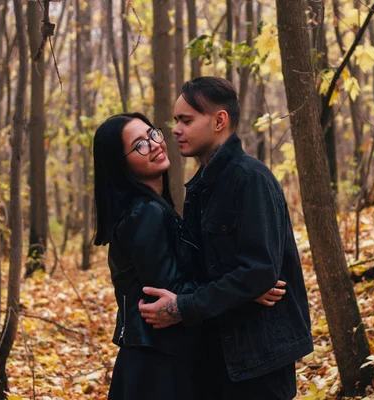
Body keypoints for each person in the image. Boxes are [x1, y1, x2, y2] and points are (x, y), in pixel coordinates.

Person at [138, 77, 314, 400]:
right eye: (176, 120)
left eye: (186, 120)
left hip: (259, 360)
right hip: (216, 355)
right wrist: (244, 290)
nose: (175, 130)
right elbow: (209, 271)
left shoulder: (251, 180)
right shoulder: (199, 189)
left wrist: (183, 307)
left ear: (219, 121)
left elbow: (260, 271)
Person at [93, 112, 284, 400]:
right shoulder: (145, 214)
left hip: (163, 358)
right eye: (139, 145)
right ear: (121, 165)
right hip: (156, 367)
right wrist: (242, 290)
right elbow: (170, 295)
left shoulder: (155, 208)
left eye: (152, 134)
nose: (155, 144)